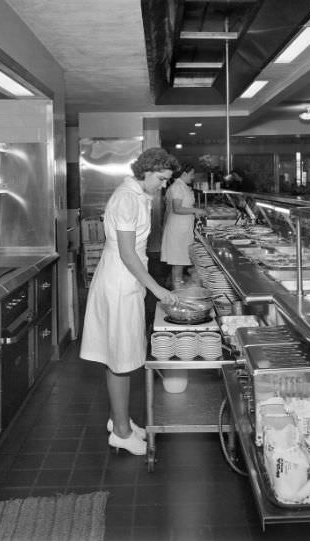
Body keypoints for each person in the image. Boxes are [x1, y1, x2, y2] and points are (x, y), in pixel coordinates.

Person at [80, 148, 180, 455]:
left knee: (120, 356)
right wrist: (158, 290)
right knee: (120, 360)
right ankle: (121, 432)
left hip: (126, 281)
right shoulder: (126, 198)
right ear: (147, 171)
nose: (163, 186)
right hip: (120, 283)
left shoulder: (136, 195)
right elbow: (126, 253)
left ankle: (119, 421)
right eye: (161, 179)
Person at [160, 163, 207, 288]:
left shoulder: (182, 186)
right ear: (184, 173)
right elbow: (177, 209)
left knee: (180, 260)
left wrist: (193, 212)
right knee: (178, 262)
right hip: (177, 229)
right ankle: (178, 293)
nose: (193, 177)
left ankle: (179, 289)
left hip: (183, 228)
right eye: (191, 174)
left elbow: (184, 207)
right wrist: (196, 211)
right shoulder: (177, 187)